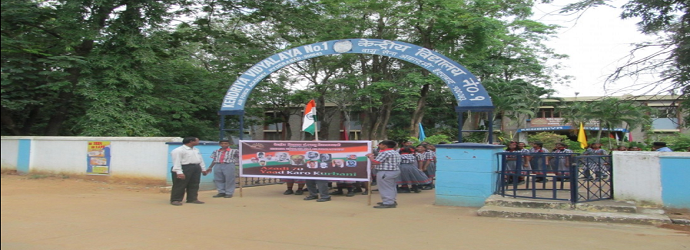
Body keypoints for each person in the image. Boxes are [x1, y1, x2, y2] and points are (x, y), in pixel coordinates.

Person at [170, 137, 207, 206]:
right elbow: (176, 162)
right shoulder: (178, 150)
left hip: (195, 167)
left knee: (194, 184)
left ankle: (192, 198)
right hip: (184, 167)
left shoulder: (196, 150)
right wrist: (179, 172)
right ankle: (176, 199)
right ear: (191, 141)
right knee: (180, 184)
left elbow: (200, 160)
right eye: (197, 141)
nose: (198, 142)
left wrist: (203, 169)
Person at [366, 140, 401, 208]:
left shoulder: (385, 152)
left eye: (380, 144)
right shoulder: (395, 152)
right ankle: (391, 200)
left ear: (384, 145)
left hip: (386, 172)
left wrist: (370, 157)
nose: (379, 146)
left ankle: (388, 202)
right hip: (393, 171)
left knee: (385, 187)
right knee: (391, 186)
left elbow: (376, 162)